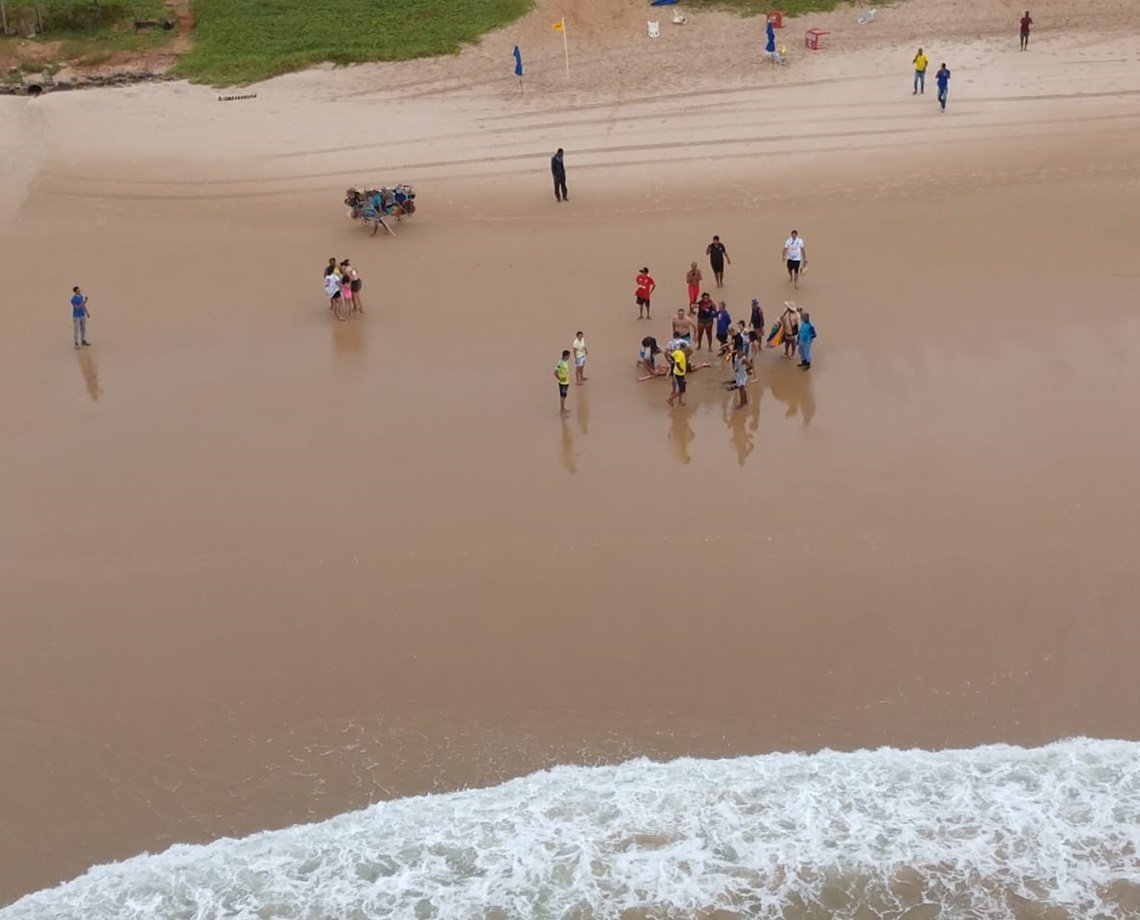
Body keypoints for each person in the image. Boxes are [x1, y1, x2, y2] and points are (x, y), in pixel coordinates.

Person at [666, 342, 688, 408]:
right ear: (683, 348)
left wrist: (672, 362)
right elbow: (678, 363)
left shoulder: (676, 352)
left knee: (681, 387)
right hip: (679, 373)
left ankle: (680, 401)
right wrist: (681, 369)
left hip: (678, 372)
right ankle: (670, 399)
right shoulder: (681, 354)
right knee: (682, 390)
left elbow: (671, 356)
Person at [554, 349, 571, 415]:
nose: (569, 357)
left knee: (564, 395)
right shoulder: (560, 363)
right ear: (566, 356)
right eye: (568, 356)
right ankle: (562, 409)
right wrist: (560, 379)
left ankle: (563, 408)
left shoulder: (565, 362)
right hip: (563, 383)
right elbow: (555, 372)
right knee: (562, 396)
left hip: (566, 382)